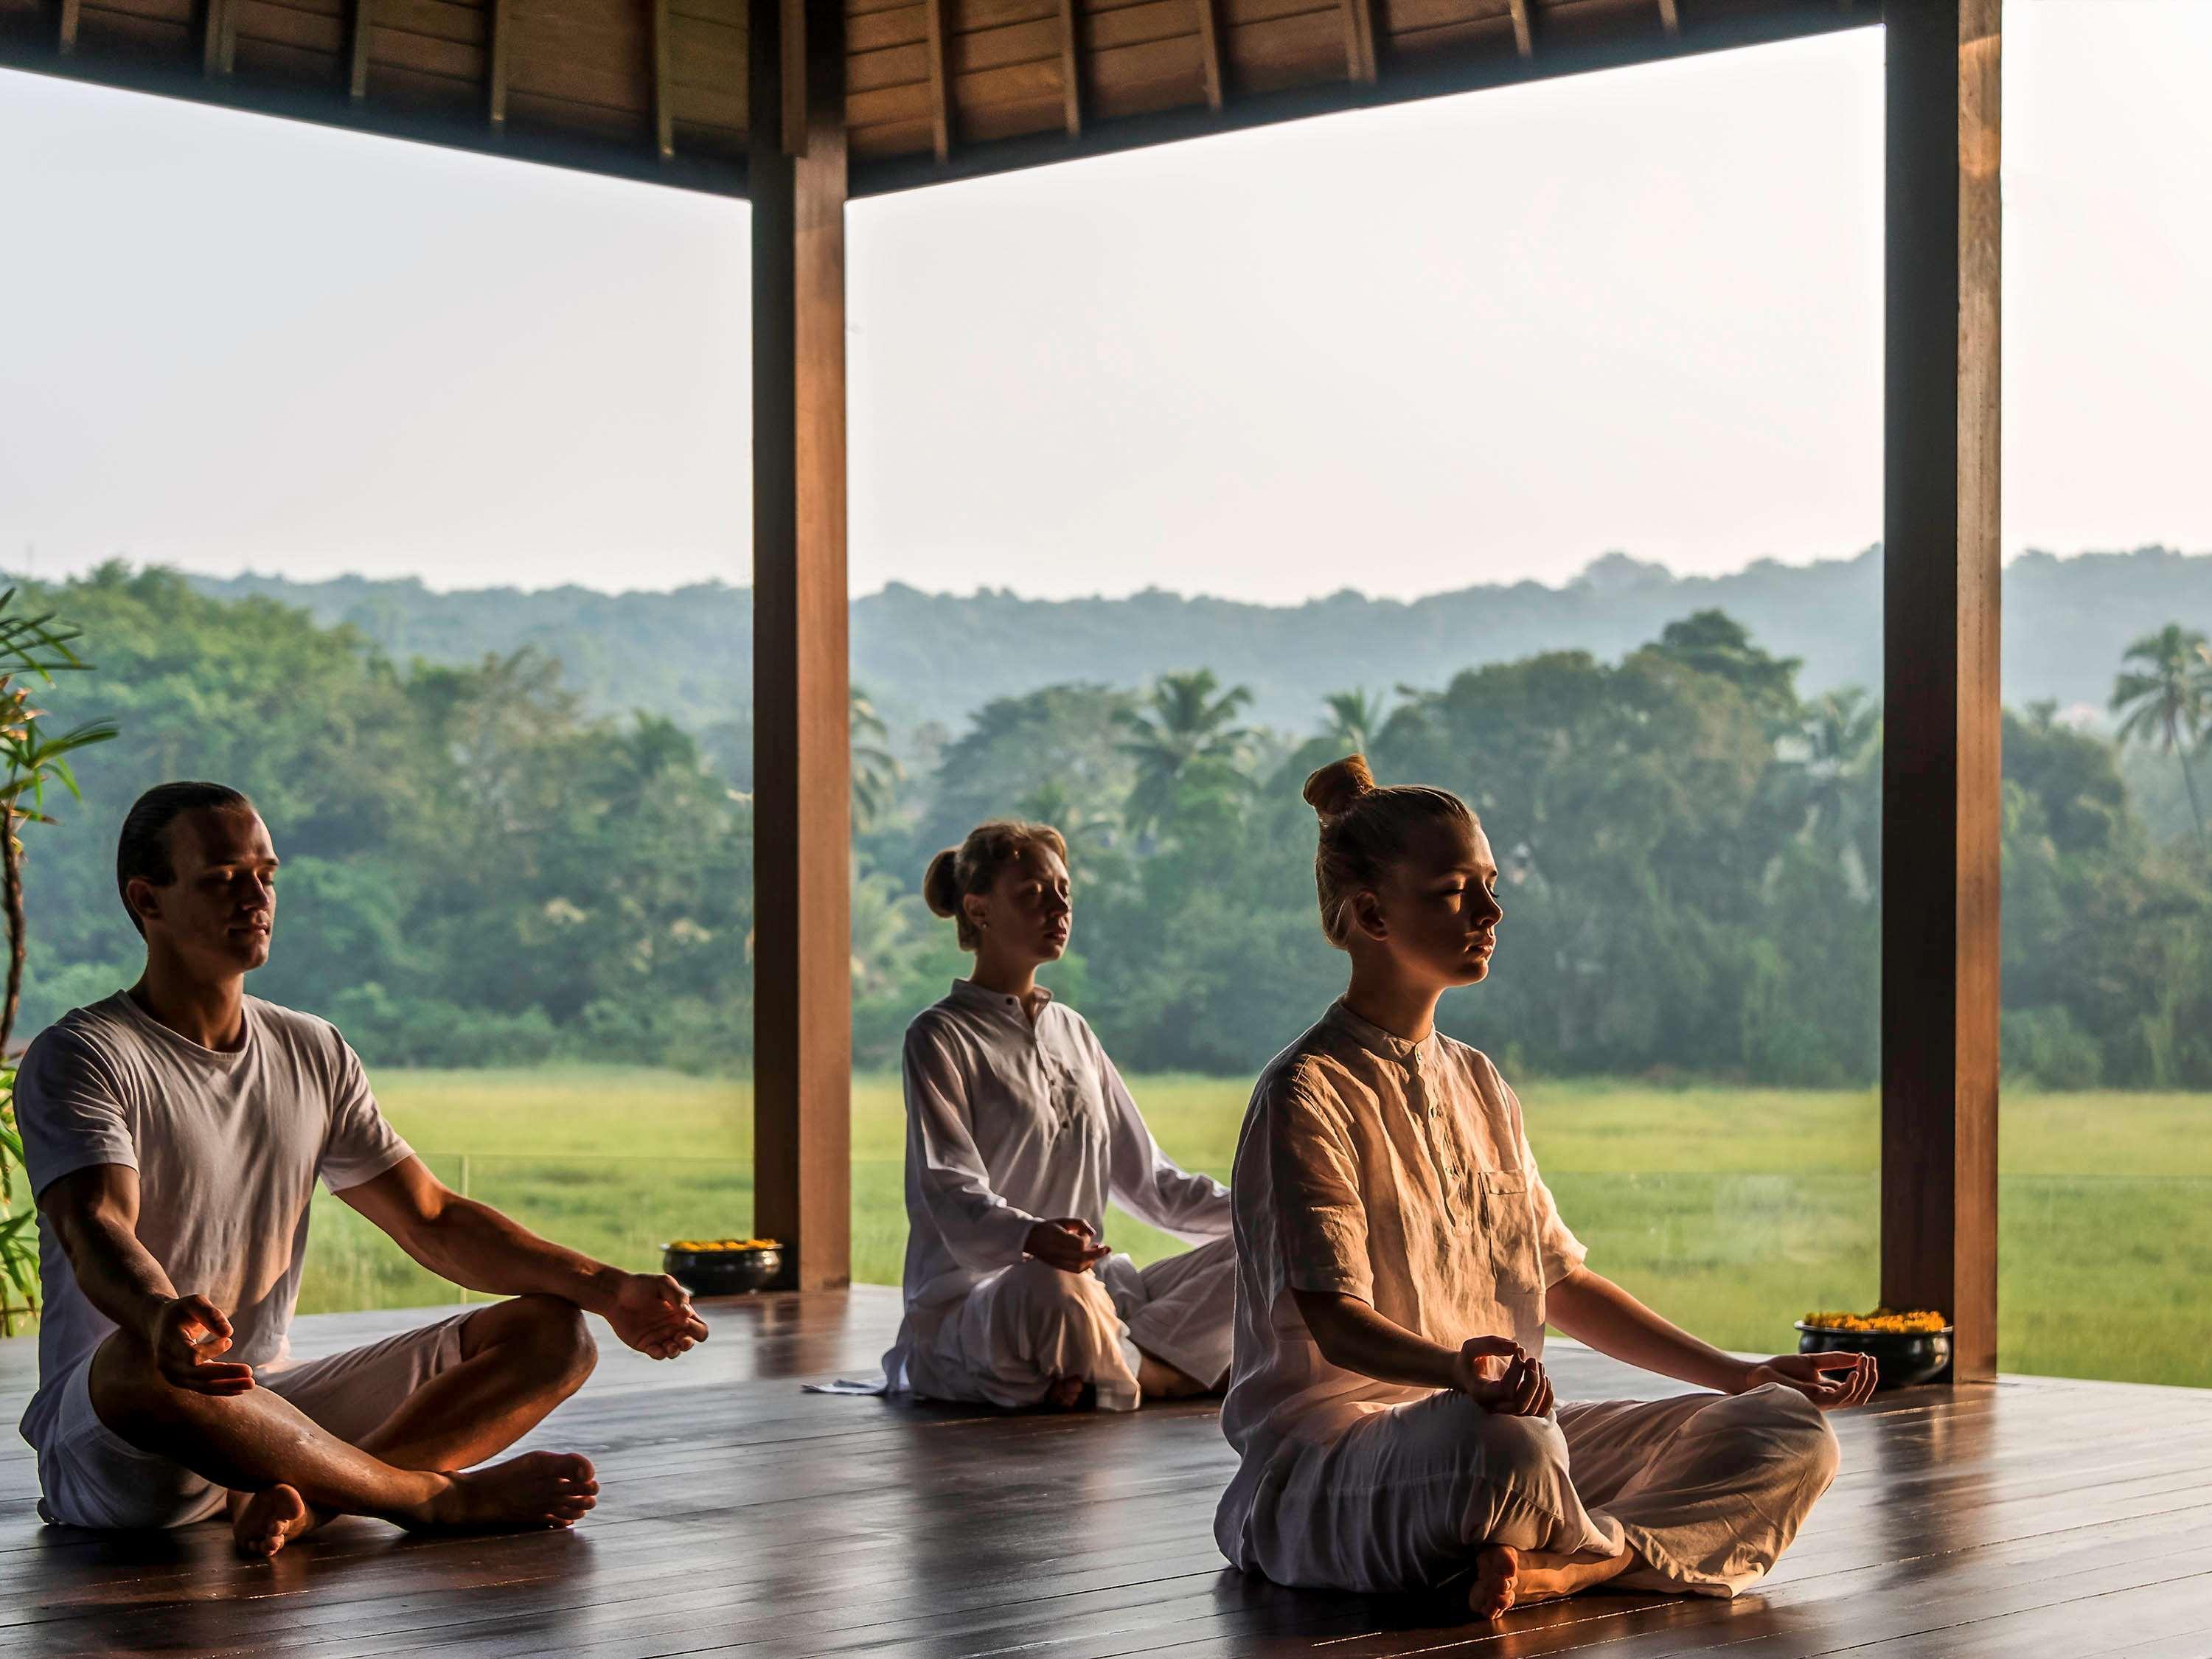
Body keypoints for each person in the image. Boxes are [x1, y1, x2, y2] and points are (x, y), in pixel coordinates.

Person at [1214, 757, 1874, 1621]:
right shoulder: (1308, 1090)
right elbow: (1335, 1324)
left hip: (1506, 1434)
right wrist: (1455, 1370)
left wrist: (1741, 1374)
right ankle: (1597, 1551)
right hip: (1341, 1468)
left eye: (1488, 886)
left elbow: (1560, 1284)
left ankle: (1576, 1566)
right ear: (1371, 913)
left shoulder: (1483, 1085)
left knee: (1784, 1429)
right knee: (1509, 1448)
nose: (1491, 913)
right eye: (1454, 891)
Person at [16, 782, 711, 1560]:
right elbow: (95, 1223)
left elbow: (433, 1220)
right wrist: (156, 1316)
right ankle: (427, 1497)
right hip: (129, 1440)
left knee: (555, 1333)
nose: (255, 897)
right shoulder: (83, 1056)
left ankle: (311, 1502)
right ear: (148, 900)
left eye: (266, 875)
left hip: (270, 1411)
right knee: (134, 1364)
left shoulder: (312, 1049)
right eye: (221, 879)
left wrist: (611, 1288)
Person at [883, 818, 1234, 1412]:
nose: (1058, 907)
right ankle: (1166, 1370)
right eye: (1032, 894)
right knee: (1051, 1287)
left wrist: (1272, 1211)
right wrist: (1030, 1238)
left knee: (1271, 1251)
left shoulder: (1072, 1031)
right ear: (979, 909)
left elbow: (1154, 1185)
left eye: (1064, 891)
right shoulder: (940, 1036)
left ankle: (1113, 1366)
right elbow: (949, 1189)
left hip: (1094, 1293)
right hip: (990, 1302)